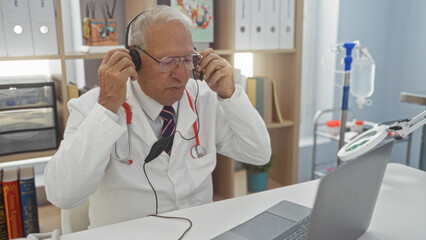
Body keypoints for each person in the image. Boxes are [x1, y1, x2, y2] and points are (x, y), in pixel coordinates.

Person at [44, 5, 271, 229]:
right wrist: (106, 110)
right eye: (168, 61)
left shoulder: (205, 97)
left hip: (201, 231)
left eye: (187, 59)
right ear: (134, 58)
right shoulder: (94, 106)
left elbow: (259, 154)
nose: (181, 75)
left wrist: (230, 95)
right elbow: (63, 194)